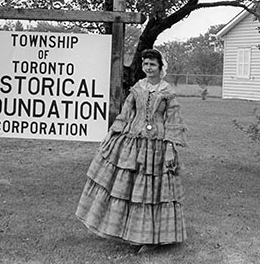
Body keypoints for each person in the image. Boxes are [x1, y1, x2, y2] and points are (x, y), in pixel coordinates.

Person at [76, 49, 187, 253]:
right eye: (145, 64)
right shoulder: (137, 88)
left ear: (160, 67)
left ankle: (149, 238)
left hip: (158, 146)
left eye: (152, 64)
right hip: (133, 143)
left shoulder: (168, 92)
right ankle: (128, 232)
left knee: (151, 193)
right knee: (129, 188)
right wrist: (112, 133)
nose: (148, 68)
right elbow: (126, 113)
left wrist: (170, 147)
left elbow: (174, 121)